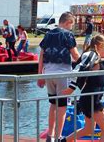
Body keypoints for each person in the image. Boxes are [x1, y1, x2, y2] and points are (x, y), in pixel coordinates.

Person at [37, 12, 80, 142]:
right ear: (68, 23)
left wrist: (40, 76)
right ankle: (58, 136)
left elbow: (42, 56)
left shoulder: (48, 34)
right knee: (62, 106)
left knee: (53, 104)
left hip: (48, 73)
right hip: (63, 74)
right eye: (71, 25)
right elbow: (76, 55)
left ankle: (50, 135)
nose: (71, 28)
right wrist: (85, 65)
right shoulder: (67, 35)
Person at [61, 35, 104, 142]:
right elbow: (79, 69)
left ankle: (64, 141)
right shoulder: (92, 54)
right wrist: (71, 88)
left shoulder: (94, 57)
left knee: (89, 129)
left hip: (89, 98)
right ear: (99, 46)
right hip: (92, 99)